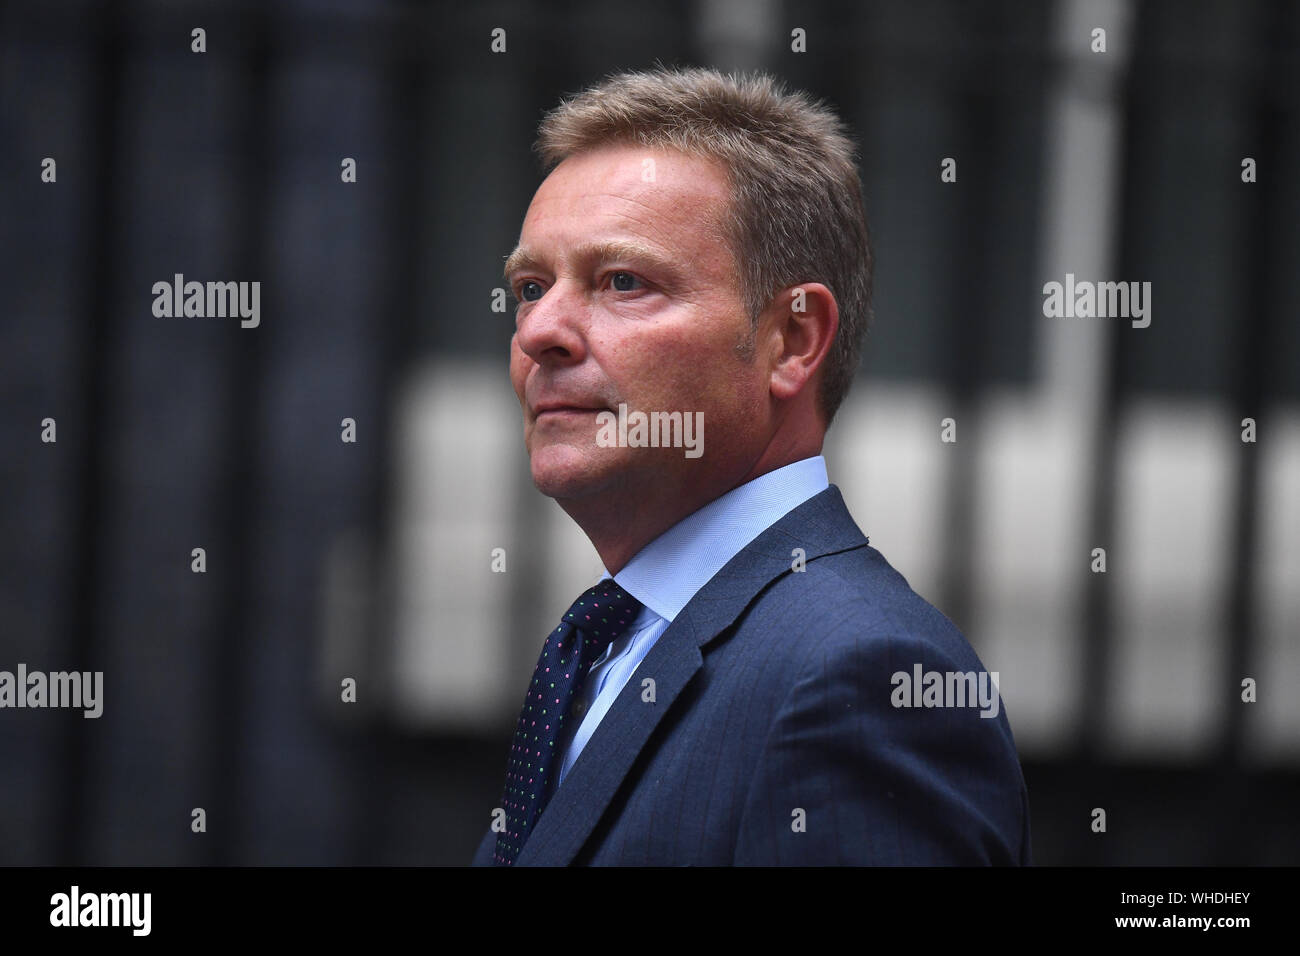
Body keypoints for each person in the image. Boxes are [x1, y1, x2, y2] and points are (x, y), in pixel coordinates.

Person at [471, 66, 1031, 866]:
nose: (539, 332)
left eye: (623, 282)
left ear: (793, 340)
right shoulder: (604, 647)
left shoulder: (860, 680)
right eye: (530, 286)